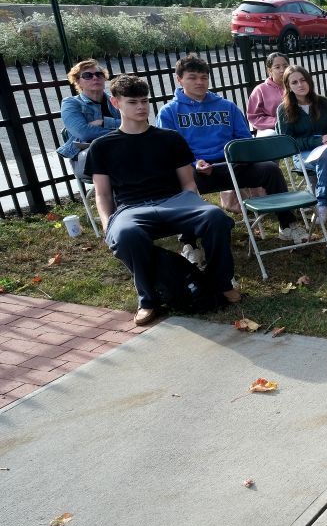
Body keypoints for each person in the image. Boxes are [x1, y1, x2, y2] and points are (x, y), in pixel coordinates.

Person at [87, 74, 239, 326]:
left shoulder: (169, 138)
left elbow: (188, 183)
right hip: (132, 207)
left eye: (144, 101)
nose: (141, 107)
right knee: (125, 234)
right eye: (133, 102)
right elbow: (102, 194)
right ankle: (147, 299)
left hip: (175, 200)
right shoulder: (103, 146)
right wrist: (106, 223)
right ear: (116, 103)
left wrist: (195, 205)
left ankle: (220, 282)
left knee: (216, 217)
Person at [157, 54, 308, 250]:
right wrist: (196, 163)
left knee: (270, 169)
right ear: (180, 80)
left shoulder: (226, 106)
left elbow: (244, 139)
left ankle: (287, 225)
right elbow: (171, 150)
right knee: (178, 183)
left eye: (203, 77)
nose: (199, 82)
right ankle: (190, 244)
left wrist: (238, 158)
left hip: (231, 165)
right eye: (192, 77)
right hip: (195, 170)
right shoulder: (169, 112)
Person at [276, 64, 327, 223]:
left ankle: (324, 204)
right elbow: (287, 142)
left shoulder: (323, 102)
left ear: (309, 81)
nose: (300, 85)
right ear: (288, 86)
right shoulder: (284, 109)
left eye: (303, 80)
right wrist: (317, 140)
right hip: (301, 155)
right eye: (294, 82)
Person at [57, 60, 120, 180]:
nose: (95, 78)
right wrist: (121, 131)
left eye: (99, 74)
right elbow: (83, 132)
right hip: (87, 157)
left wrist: (104, 122)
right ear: (78, 82)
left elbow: (135, 124)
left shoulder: (115, 101)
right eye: (87, 76)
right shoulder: (71, 103)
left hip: (120, 150)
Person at [246, 52, 289, 135]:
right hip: (269, 129)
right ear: (269, 70)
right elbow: (253, 117)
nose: (282, 70)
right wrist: (278, 122)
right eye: (277, 67)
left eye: (285, 66)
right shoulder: (260, 90)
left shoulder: (296, 86)